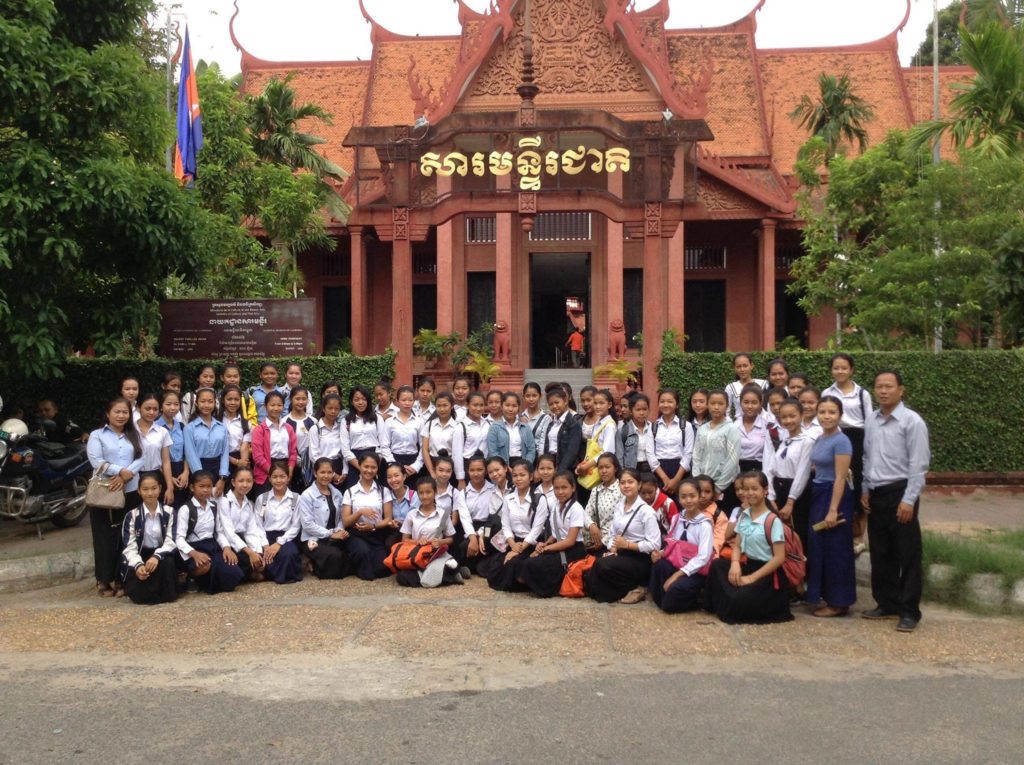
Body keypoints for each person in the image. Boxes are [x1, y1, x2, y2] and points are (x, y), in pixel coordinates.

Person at [861, 370, 930, 633]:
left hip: (901, 492)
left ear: (901, 390)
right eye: (879, 386)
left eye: (889, 386)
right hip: (876, 493)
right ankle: (887, 603)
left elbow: (919, 465)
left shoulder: (912, 422)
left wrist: (909, 500)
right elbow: (867, 457)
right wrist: (866, 488)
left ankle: (910, 610)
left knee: (908, 554)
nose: (883, 391)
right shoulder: (872, 420)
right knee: (881, 552)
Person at [704, 472, 793, 624]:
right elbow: (737, 545)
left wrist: (752, 578)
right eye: (746, 489)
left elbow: (779, 558)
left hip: (767, 575)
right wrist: (735, 564)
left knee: (737, 600)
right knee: (718, 565)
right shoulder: (744, 515)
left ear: (765, 490)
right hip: (747, 564)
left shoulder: (773, 520)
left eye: (754, 488)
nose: (749, 493)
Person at [86, 397, 144, 598]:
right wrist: (120, 472)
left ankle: (122, 577)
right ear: (108, 413)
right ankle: (103, 579)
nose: (121, 416)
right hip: (106, 491)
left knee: (126, 535)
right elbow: (96, 460)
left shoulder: (133, 434)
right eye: (117, 412)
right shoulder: (97, 435)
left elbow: (141, 457)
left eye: (125, 412)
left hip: (130, 490)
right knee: (104, 536)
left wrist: (127, 475)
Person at [806, 396, 856, 617]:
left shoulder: (841, 441)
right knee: (819, 547)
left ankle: (839, 602)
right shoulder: (820, 438)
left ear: (840, 415)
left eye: (832, 412)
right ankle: (825, 596)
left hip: (833, 495)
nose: (826, 416)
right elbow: (818, 467)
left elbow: (840, 477)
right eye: (822, 412)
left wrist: (833, 509)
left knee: (836, 549)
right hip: (818, 493)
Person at [583, 468, 661, 604]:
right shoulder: (619, 506)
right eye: (623, 482)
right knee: (592, 574)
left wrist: (628, 545)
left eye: (630, 482)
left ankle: (638, 586)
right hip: (622, 553)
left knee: (602, 566)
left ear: (639, 484)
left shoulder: (646, 512)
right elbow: (614, 533)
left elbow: (654, 544)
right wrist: (612, 549)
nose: (626, 486)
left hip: (640, 558)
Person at [517, 471, 588, 597]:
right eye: (556, 488)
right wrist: (545, 544)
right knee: (529, 559)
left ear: (573, 488)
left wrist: (547, 549)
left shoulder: (576, 508)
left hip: (573, 549)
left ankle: (548, 588)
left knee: (534, 563)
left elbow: (570, 540)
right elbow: (555, 535)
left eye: (564, 487)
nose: (560, 492)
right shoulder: (556, 506)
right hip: (558, 545)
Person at [649, 478, 714, 614]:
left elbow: (703, 557)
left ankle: (694, 598)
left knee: (670, 601)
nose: (688, 500)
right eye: (683, 497)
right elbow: (671, 542)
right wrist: (660, 553)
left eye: (692, 496)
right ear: (678, 498)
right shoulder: (677, 518)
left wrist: (677, 575)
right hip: (677, 562)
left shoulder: (704, 524)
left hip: (694, 571)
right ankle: (668, 598)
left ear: (699, 496)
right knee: (659, 565)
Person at [175, 470, 246, 594]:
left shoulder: (213, 506)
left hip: (212, 546)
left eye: (209, 486)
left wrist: (226, 548)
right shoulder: (186, 509)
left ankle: (207, 579)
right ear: (192, 487)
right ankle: (191, 577)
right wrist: (194, 554)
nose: (205, 490)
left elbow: (218, 532)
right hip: (194, 547)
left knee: (233, 574)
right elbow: (179, 538)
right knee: (204, 566)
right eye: (201, 486)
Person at [486, 458, 548, 591]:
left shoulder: (539, 499)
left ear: (531, 477)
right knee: (495, 566)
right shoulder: (508, 499)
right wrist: (513, 545)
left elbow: (537, 530)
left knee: (514, 564)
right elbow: (506, 525)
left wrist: (518, 550)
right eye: (515, 476)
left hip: (532, 544)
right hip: (514, 541)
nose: (518, 479)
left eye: (522, 475)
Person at [298, 458, 363, 580]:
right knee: (335, 557)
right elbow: (307, 524)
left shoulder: (337, 493)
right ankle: (314, 564)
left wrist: (339, 530)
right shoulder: (307, 495)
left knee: (358, 549)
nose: (326, 476)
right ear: (315, 473)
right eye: (322, 472)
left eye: (329, 472)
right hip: (315, 538)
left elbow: (341, 517)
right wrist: (331, 534)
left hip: (335, 536)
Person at [763, 398, 814, 552]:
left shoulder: (807, 441)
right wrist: (771, 497)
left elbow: (802, 473)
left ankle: (801, 570)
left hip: (798, 493)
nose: (788, 420)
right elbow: (771, 469)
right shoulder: (784, 441)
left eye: (792, 416)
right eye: (784, 417)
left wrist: (791, 501)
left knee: (798, 533)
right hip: (780, 491)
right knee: (780, 535)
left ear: (801, 415)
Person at [119, 473, 178, 605]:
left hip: (160, 555)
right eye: (145, 489)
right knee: (139, 593)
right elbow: (129, 546)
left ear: (160, 488)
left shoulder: (169, 512)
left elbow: (171, 541)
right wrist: (138, 565)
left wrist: (157, 556)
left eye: (154, 488)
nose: (150, 493)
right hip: (140, 555)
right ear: (139, 491)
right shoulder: (132, 515)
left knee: (168, 564)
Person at [395, 476, 458, 588]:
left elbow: (451, 539)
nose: (424, 496)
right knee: (402, 577)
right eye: (421, 493)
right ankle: (446, 576)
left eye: (428, 492)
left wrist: (440, 541)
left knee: (438, 568)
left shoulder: (443, 514)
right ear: (417, 494)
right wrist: (417, 542)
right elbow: (404, 539)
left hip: (435, 555)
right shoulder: (412, 514)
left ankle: (442, 574)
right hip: (417, 555)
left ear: (435, 492)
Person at [341, 452, 395, 580]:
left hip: (377, 533)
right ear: (359, 466)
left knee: (381, 567)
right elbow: (345, 521)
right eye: (366, 466)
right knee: (362, 552)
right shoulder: (350, 491)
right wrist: (360, 512)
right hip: (356, 534)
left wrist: (373, 526)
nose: (369, 470)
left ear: (377, 469)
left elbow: (388, 518)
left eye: (373, 467)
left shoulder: (383, 491)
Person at [692, 390, 741, 514]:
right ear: (707, 405)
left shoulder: (731, 429)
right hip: (702, 486)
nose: (716, 407)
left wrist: (718, 488)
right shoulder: (702, 429)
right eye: (712, 403)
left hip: (724, 487)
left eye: (720, 403)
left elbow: (733, 460)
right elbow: (696, 456)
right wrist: (697, 481)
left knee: (721, 519)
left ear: (727, 406)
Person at [253, 463, 303, 584]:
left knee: (288, 554)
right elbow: (257, 524)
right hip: (265, 536)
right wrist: (265, 545)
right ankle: (274, 572)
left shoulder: (296, 498)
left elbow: (296, 526)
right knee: (260, 558)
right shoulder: (262, 498)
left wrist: (278, 544)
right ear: (269, 479)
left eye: (282, 476)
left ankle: (271, 574)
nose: (278, 480)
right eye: (275, 477)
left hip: (286, 537)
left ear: (288, 478)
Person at [217, 468, 266, 583]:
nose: (245, 485)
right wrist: (250, 553)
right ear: (233, 482)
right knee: (234, 572)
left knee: (261, 564)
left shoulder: (248, 504)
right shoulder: (224, 502)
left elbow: (251, 530)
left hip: (242, 540)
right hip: (228, 541)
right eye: (241, 481)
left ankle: (250, 570)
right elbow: (228, 532)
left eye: (249, 481)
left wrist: (257, 552)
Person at [644, 388, 693, 495]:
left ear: (677, 404)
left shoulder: (686, 426)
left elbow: (688, 453)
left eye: (670, 401)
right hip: (659, 471)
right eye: (662, 401)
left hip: (680, 470)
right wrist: (664, 478)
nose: (665, 405)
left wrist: (676, 479)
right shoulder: (653, 427)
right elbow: (650, 454)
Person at [183, 388, 230, 498]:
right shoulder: (190, 428)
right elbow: (191, 455)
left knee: (217, 504)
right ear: (196, 403)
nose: (206, 405)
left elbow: (225, 454)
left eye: (210, 401)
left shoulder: (221, 427)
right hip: (198, 469)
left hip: (217, 470)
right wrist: (201, 479)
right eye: (203, 401)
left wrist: (222, 478)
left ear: (215, 403)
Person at [340, 385, 389, 489]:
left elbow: (383, 444)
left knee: (379, 492)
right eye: (356, 399)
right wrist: (361, 467)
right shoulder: (346, 421)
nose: (360, 402)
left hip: (376, 459)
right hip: (355, 461)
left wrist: (374, 465)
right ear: (352, 402)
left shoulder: (377, 418)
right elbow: (345, 449)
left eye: (364, 399)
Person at [250, 390, 297, 498]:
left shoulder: (288, 428)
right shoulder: (259, 430)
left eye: (279, 405)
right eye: (272, 405)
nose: (276, 408)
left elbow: (293, 452)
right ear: (265, 406)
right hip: (266, 472)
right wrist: (273, 473)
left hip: (285, 470)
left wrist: (289, 471)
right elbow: (258, 457)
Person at [134, 392, 174, 505]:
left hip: (156, 477)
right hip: (134, 477)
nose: (151, 412)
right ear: (138, 408)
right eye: (147, 408)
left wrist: (170, 487)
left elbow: (166, 462)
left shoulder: (162, 432)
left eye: (155, 409)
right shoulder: (129, 431)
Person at [421, 393, 465, 486]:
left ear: (452, 406)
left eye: (445, 405)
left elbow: (457, 453)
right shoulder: (429, 425)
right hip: (432, 465)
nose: (442, 409)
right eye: (438, 406)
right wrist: (432, 472)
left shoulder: (457, 426)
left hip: (449, 467)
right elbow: (425, 449)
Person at [583, 452, 623, 554]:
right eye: (600, 468)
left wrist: (604, 540)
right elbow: (586, 514)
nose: (604, 471)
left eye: (607, 467)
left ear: (615, 468)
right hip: (596, 541)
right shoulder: (596, 490)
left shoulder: (622, 489)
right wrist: (592, 525)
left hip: (615, 544)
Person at [536, 386, 582, 474]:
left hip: (565, 468)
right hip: (550, 466)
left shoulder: (573, 423)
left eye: (557, 402)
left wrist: (560, 470)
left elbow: (572, 452)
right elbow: (547, 446)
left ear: (565, 401)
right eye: (551, 404)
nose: (554, 406)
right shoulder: (551, 423)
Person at [385, 386, 424, 486]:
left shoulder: (419, 422)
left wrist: (416, 466)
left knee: (414, 494)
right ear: (397, 401)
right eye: (403, 400)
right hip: (394, 460)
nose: (407, 403)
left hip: (413, 462)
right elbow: (384, 446)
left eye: (410, 400)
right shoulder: (389, 422)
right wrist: (394, 465)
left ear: (414, 401)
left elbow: (424, 447)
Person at [485, 391, 537, 465]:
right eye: (507, 405)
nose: (510, 409)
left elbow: (531, 450)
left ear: (519, 408)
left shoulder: (525, 427)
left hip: (523, 464)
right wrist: (504, 467)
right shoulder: (494, 427)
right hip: (502, 466)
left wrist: (526, 465)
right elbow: (493, 451)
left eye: (514, 406)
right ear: (502, 406)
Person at [158, 391, 190, 508]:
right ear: (161, 406)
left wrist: (186, 472)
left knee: (181, 508)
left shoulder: (182, 426)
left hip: (181, 471)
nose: (173, 407)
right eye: (168, 404)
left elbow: (187, 452)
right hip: (162, 471)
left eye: (176, 404)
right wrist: (169, 478)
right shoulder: (156, 427)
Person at [307, 393, 346, 487]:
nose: (333, 411)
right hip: (322, 469)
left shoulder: (341, 428)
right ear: (324, 409)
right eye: (330, 408)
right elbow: (314, 455)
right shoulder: (315, 429)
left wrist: (345, 472)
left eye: (336, 409)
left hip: (339, 468)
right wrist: (331, 474)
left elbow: (345, 451)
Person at [284, 386, 315, 493]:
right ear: (291, 399)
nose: (300, 402)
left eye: (303, 399)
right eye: (297, 399)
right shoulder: (284, 422)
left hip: (311, 468)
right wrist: (295, 460)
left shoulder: (313, 421)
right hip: (292, 467)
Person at [736, 383, 771, 473]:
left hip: (759, 471)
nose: (750, 406)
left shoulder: (767, 425)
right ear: (740, 403)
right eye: (746, 402)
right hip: (737, 472)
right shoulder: (734, 426)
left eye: (754, 403)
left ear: (760, 403)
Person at [218, 385, 252, 477]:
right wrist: (235, 462)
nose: (233, 403)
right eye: (229, 399)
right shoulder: (216, 421)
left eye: (236, 399)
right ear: (222, 400)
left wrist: (243, 464)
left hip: (240, 459)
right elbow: (217, 448)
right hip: (220, 460)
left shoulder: (246, 423)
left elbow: (244, 447)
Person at [725, 353, 766, 420]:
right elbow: (726, 411)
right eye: (738, 366)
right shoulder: (730, 387)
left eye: (745, 366)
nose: (742, 369)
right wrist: (731, 426)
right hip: (739, 427)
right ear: (734, 368)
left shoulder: (763, 384)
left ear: (751, 366)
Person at [618, 393, 651, 472]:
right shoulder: (623, 431)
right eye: (638, 410)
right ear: (631, 411)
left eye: (644, 409)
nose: (642, 413)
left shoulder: (653, 429)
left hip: (651, 470)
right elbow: (619, 457)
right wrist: (624, 474)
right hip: (632, 470)